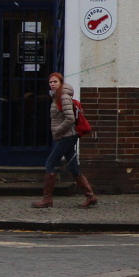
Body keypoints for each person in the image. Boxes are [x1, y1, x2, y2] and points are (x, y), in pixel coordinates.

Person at [31, 72, 98, 209]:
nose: (52, 84)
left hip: (67, 136)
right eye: (50, 82)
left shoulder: (63, 97)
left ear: (61, 82)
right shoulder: (56, 97)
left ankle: (47, 199)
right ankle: (90, 196)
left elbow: (70, 119)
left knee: (50, 163)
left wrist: (58, 130)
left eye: (55, 82)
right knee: (73, 167)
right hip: (66, 136)